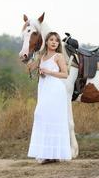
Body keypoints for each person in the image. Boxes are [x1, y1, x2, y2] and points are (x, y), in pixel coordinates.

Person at [27, 32, 72, 164]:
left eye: (56, 41)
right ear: (46, 42)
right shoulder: (42, 56)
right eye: (51, 40)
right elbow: (29, 69)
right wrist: (28, 56)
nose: (54, 42)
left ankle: (54, 154)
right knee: (42, 116)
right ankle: (47, 153)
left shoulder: (58, 56)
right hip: (44, 88)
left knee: (53, 118)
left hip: (55, 89)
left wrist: (49, 72)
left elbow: (65, 74)